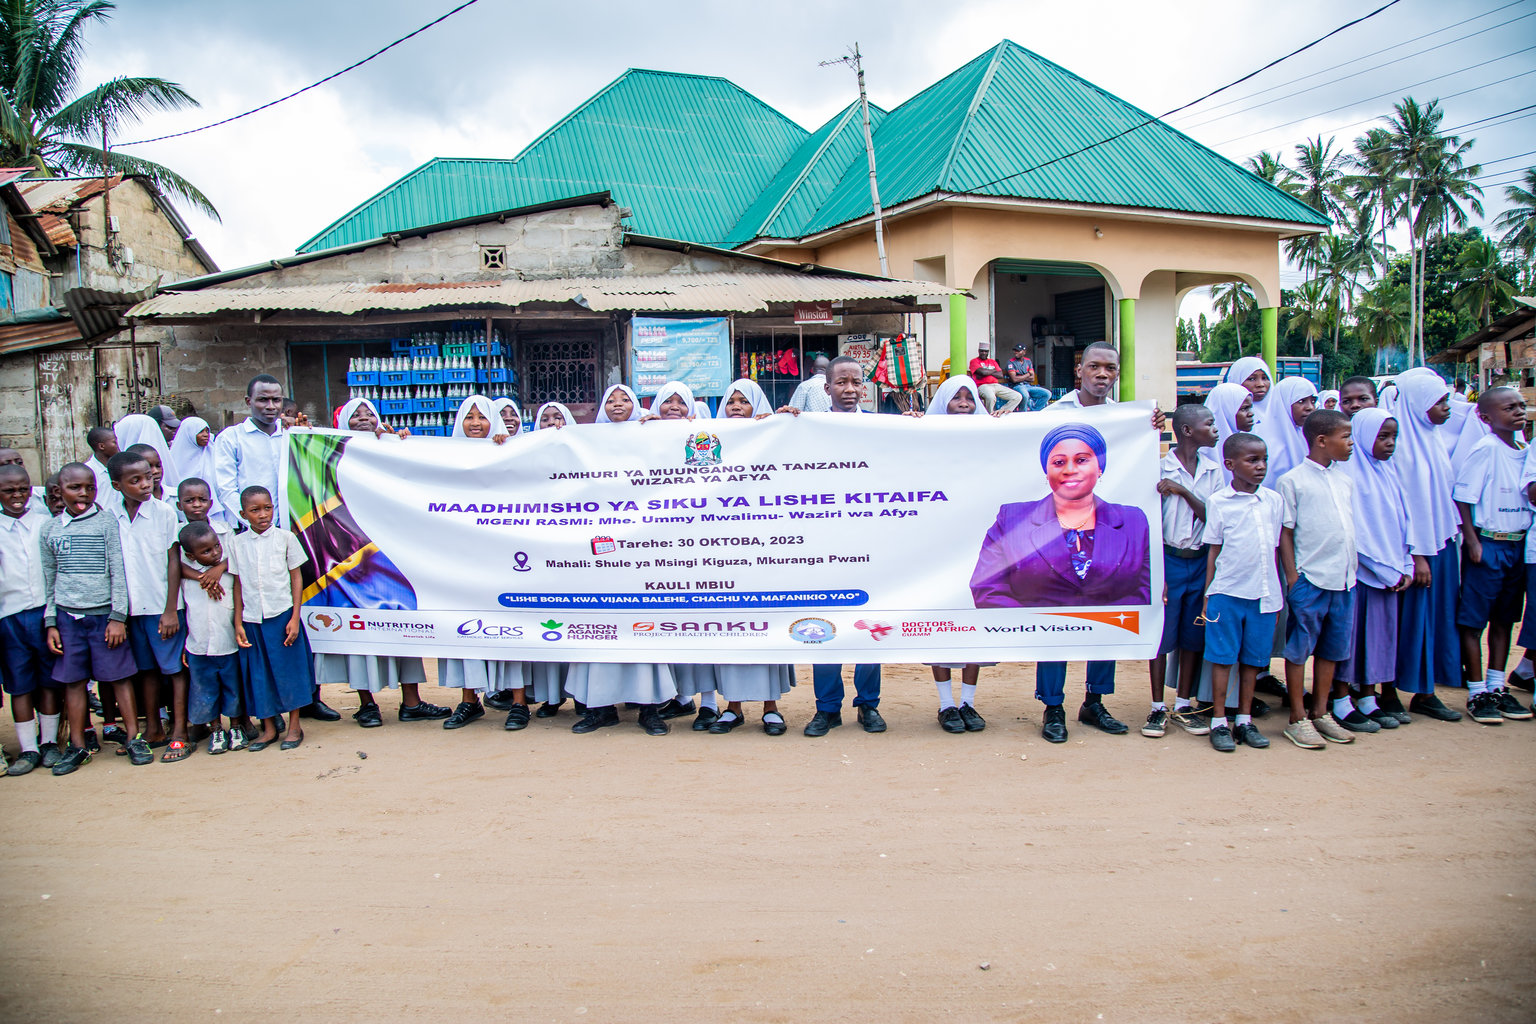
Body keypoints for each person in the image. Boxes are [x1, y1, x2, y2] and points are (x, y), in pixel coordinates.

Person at [998, 340, 1163, 743]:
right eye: (1094, 367)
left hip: (1104, 529)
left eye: (1109, 368)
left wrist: (1151, 425)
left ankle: (1094, 701)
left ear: (1117, 373)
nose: (1102, 374)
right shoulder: (1052, 415)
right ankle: (1053, 707)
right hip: (1056, 529)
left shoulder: (1132, 418)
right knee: (1055, 615)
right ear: (1080, 371)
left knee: (1105, 610)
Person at [317, 398, 452, 729]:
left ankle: (412, 701)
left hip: (391, 554)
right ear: (343, 423)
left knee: (403, 622)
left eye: (369, 414)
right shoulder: (329, 456)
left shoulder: (387, 448)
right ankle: (367, 704)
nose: (364, 419)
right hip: (352, 555)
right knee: (359, 628)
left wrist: (401, 445)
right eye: (356, 415)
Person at [214, 375, 338, 721]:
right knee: (264, 622)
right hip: (254, 539)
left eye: (276, 401)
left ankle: (309, 697)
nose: (271, 407)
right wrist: (251, 527)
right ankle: (270, 706)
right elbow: (225, 488)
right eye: (263, 400)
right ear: (248, 401)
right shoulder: (232, 439)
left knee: (300, 617)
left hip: (295, 535)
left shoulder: (291, 435)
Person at [706, 379, 796, 735]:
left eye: (745, 401)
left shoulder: (772, 439)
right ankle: (733, 707)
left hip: (766, 552)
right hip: (723, 553)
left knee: (764, 627)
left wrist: (788, 421)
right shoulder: (711, 443)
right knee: (731, 630)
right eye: (731, 402)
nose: (737, 407)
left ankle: (771, 707)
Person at [805, 355, 886, 736]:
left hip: (871, 543)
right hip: (824, 546)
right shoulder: (807, 428)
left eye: (856, 382)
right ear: (827, 388)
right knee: (825, 627)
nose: (849, 389)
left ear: (864, 386)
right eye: (841, 383)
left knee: (869, 627)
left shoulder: (883, 426)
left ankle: (868, 705)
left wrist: (923, 426)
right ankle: (827, 708)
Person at [40, 462, 138, 774]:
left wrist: (118, 616)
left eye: (90, 487)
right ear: (59, 491)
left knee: (119, 678)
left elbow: (118, 571)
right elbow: (50, 578)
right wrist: (51, 621)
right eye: (74, 488)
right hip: (68, 618)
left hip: (104, 616)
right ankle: (79, 746)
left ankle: (135, 739)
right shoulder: (50, 529)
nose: (83, 494)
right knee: (73, 682)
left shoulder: (107, 523)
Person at [1278, 410, 1361, 747]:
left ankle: (1321, 712)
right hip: (1311, 580)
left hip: (1344, 579)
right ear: (1322, 441)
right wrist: (1294, 577)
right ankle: (1297, 716)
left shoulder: (1345, 479)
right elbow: (1285, 533)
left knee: (1332, 649)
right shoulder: (1293, 480)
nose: (1352, 443)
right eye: (1346, 437)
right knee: (1299, 650)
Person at [1453, 386, 1534, 725]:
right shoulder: (1485, 449)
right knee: (1474, 620)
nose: (1518, 412)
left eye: (1521, 405)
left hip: (1517, 544)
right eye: (1509, 407)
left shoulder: (1524, 448)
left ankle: (1498, 686)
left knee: (1505, 618)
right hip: (1489, 543)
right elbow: (1463, 497)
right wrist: (1472, 541)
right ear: (1485, 417)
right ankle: (1476, 691)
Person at [436, 395, 518, 729]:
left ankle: (518, 702)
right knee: (464, 623)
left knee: (513, 623)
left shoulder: (509, 452)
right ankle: (469, 701)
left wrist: (507, 449)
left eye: (482, 417)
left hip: (502, 554)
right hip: (463, 556)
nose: (475, 423)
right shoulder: (446, 458)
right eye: (468, 417)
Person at [1200, 432, 1284, 752]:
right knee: (1222, 660)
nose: (1260, 466)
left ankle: (1245, 720)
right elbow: (1214, 550)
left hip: (1264, 594)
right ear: (1230, 465)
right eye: (1252, 460)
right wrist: (1209, 593)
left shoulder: (1273, 500)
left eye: (1263, 459)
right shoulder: (1219, 502)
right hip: (1227, 592)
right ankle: (1219, 722)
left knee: (1254, 661)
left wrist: (1277, 593)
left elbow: (1274, 549)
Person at [107, 450, 192, 762]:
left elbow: (173, 560)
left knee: (174, 669)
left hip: (162, 607)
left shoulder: (163, 513)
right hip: (131, 609)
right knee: (146, 671)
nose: (146, 483)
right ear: (118, 486)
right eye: (136, 480)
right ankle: (154, 728)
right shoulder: (110, 516)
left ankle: (180, 731)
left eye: (148, 476)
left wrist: (171, 608)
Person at [1390, 369, 1463, 722]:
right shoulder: (1399, 448)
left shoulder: (1434, 438)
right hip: (1416, 551)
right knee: (1406, 622)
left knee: (1435, 620)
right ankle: (1388, 689)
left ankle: (1426, 692)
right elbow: (1405, 507)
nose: (1446, 408)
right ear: (1419, 404)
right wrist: (1416, 554)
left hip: (1441, 543)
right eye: (1439, 402)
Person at [922, 375, 994, 733]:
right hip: (938, 546)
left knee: (974, 623)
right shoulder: (926, 440)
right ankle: (946, 704)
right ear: (943, 404)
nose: (964, 403)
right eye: (955, 398)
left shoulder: (990, 441)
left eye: (969, 397)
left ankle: (968, 702)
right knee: (942, 624)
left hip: (980, 546)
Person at [1146, 403, 1222, 739]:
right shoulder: (1158, 468)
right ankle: (1157, 707)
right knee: (1162, 637)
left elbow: (1213, 517)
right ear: (1188, 431)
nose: (1216, 428)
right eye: (1209, 423)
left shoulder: (1214, 470)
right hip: (1169, 558)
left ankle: (1184, 704)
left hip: (1200, 559)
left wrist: (1182, 491)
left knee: (1193, 637)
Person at [1336, 409, 1412, 728]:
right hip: (1365, 573)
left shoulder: (1388, 472)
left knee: (1380, 637)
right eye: (1383, 437)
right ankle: (1346, 698)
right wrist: (1385, 570)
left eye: (1393, 436)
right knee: (1354, 639)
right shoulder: (1351, 474)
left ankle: (1369, 696)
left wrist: (1405, 563)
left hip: (1391, 571)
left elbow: (1403, 520)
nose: (1390, 443)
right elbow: (1357, 532)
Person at [229, 485, 312, 751]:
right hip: (253, 618)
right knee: (259, 674)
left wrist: (295, 617)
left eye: (267, 508)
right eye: (255, 510)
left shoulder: (285, 538)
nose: (263, 515)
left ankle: (294, 725)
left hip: (282, 614)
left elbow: (296, 577)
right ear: (243, 513)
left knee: (290, 671)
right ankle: (267, 728)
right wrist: (238, 622)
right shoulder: (237, 543)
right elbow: (238, 583)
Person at [0, 463, 60, 775]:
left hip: (44, 614)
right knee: (19, 684)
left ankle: (49, 741)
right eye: (9, 491)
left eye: (22, 489)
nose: (17, 496)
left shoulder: (44, 523)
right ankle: (28, 748)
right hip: (9, 618)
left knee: (48, 680)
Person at [176, 522, 247, 754]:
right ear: (190, 555)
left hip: (228, 645)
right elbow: (186, 612)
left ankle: (236, 728)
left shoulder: (228, 574)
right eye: (206, 551)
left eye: (217, 547)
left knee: (233, 688)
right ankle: (216, 729)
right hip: (199, 646)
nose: (215, 553)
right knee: (205, 690)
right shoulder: (187, 579)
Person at [1254, 377, 1317, 488]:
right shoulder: (1265, 443)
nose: (1310, 407)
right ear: (1283, 403)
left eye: (1313, 401)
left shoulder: (1310, 438)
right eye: (1301, 401)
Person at [1202, 382, 1256, 484]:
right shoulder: (1205, 452)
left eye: (1250, 407)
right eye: (1244, 408)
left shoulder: (1249, 443)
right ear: (1226, 410)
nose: (1251, 413)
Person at [169, 416, 221, 520]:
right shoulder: (174, 460)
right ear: (189, 434)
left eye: (207, 431)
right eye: (200, 432)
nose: (206, 435)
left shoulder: (214, 456)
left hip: (212, 511)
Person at [968, 342, 1022, 414]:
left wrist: (985, 371)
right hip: (982, 386)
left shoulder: (992, 361)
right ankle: (989, 415)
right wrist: (993, 371)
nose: (984, 353)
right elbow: (983, 373)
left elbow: (1000, 375)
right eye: (982, 351)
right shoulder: (974, 361)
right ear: (978, 351)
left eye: (986, 351)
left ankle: (1000, 412)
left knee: (1017, 396)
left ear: (988, 352)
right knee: (991, 397)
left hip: (996, 385)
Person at [1224, 356, 1274, 426]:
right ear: (1237, 381)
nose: (1260, 384)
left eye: (1264, 378)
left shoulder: (1281, 415)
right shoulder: (1225, 418)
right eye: (1251, 379)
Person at [1006, 342, 1051, 411]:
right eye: (1015, 350)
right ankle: (1023, 413)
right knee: (1025, 395)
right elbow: (1014, 379)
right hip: (1016, 386)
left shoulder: (1028, 361)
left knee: (1047, 394)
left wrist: (1021, 377)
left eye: (1018, 351)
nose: (1015, 352)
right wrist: (1027, 375)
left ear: (1024, 352)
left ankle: (1034, 411)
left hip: (1028, 386)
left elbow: (1032, 378)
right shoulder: (1011, 362)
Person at [85, 425, 118, 500]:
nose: (118, 445)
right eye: (115, 442)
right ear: (101, 446)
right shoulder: (88, 471)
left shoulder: (119, 466)